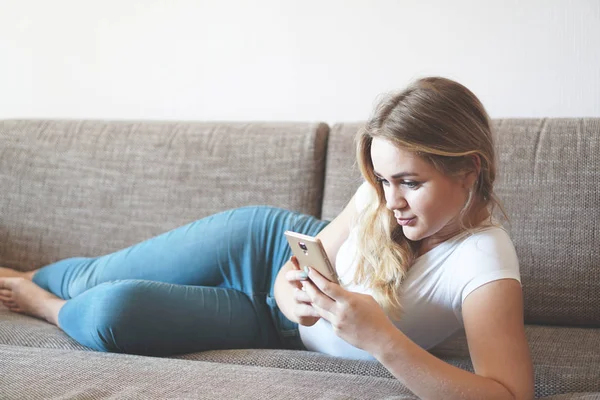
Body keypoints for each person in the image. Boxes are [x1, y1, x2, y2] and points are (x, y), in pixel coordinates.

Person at [0, 77, 534, 399]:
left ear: (468, 169)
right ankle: (23, 274)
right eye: (382, 180)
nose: (390, 201)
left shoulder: (484, 260)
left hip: (265, 329)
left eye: (410, 183)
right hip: (252, 250)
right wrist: (293, 292)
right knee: (99, 274)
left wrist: (379, 339)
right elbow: (298, 267)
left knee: (111, 311)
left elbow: (509, 394)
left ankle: (41, 303)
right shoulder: (381, 196)